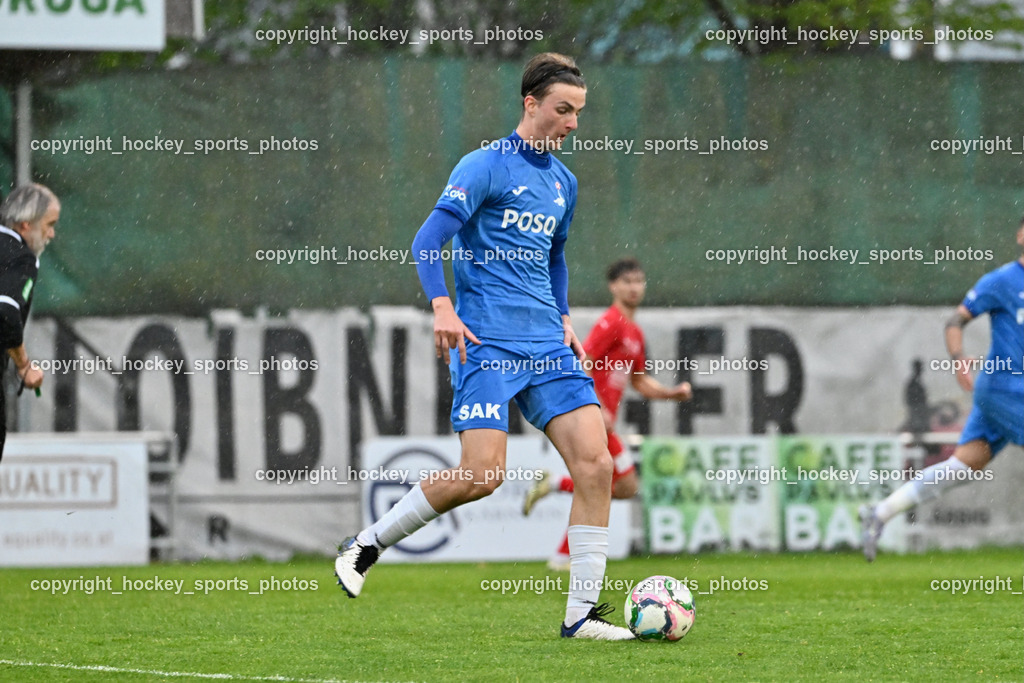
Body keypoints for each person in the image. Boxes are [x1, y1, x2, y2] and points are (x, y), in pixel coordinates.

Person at [335, 53, 635, 640]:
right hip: (488, 343)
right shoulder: (484, 166)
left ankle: (580, 615)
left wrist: (567, 316)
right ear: (531, 104)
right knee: (482, 476)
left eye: (579, 112)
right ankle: (366, 544)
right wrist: (441, 305)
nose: (573, 123)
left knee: (597, 467)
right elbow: (429, 239)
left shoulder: (564, 183)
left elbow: (555, 257)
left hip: (548, 343)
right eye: (563, 110)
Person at [860, 218, 1024, 561]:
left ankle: (880, 513)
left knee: (962, 467)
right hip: (1003, 388)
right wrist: (958, 358)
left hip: (1010, 394)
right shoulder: (1001, 281)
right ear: (1021, 235)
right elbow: (956, 321)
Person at [522, 258, 692, 570]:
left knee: (610, 486)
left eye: (639, 281)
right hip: (593, 418)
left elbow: (639, 381)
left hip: (605, 422)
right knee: (616, 485)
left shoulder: (634, 333)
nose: (634, 287)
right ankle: (563, 552)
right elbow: (582, 361)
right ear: (613, 286)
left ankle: (560, 533)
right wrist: (597, 406)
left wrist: (671, 394)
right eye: (627, 281)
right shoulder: (610, 322)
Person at [0, 183, 58, 460]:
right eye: (49, 224)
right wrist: (24, 364)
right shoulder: (20, 257)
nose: (51, 234)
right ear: (25, 226)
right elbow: (4, 311)